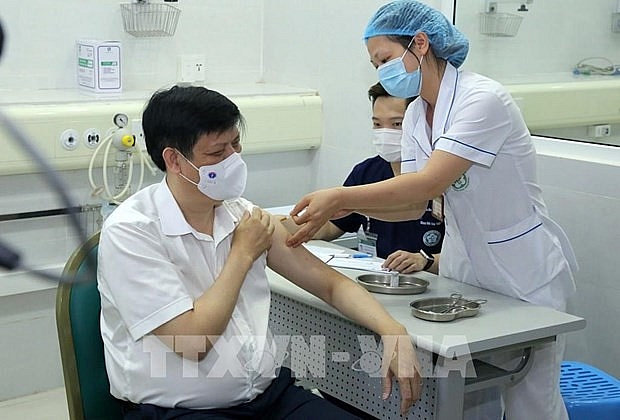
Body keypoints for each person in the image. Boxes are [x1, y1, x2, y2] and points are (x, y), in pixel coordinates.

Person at [286, 1, 578, 420]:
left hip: (523, 271)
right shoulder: (417, 118)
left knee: (530, 403)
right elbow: (410, 204)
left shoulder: (483, 100)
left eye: (385, 58)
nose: (381, 70)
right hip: (465, 269)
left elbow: (429, 182)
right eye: (375, 64)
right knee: (464, 399)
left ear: (419, 44)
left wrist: (341, 197)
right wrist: (326, 216)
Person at [97, 85, 422, 419]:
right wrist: (242, 253)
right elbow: (192, 342)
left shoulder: (242, 214)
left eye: (235, 145)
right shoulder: (132, 231)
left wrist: (391, 329)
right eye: (217, 153)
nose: (233, 160)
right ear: (175, 160)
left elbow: (330, 284)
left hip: (270, 398)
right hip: (180, 411)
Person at [284, 82, 443, 274]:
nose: (385, 132)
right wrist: (272, 222)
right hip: (381, 276)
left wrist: (423, 260)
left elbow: (469, 256)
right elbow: (328, 226)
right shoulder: (367, 172)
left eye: (396, 124)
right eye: (377, 124)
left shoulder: (442, 176)